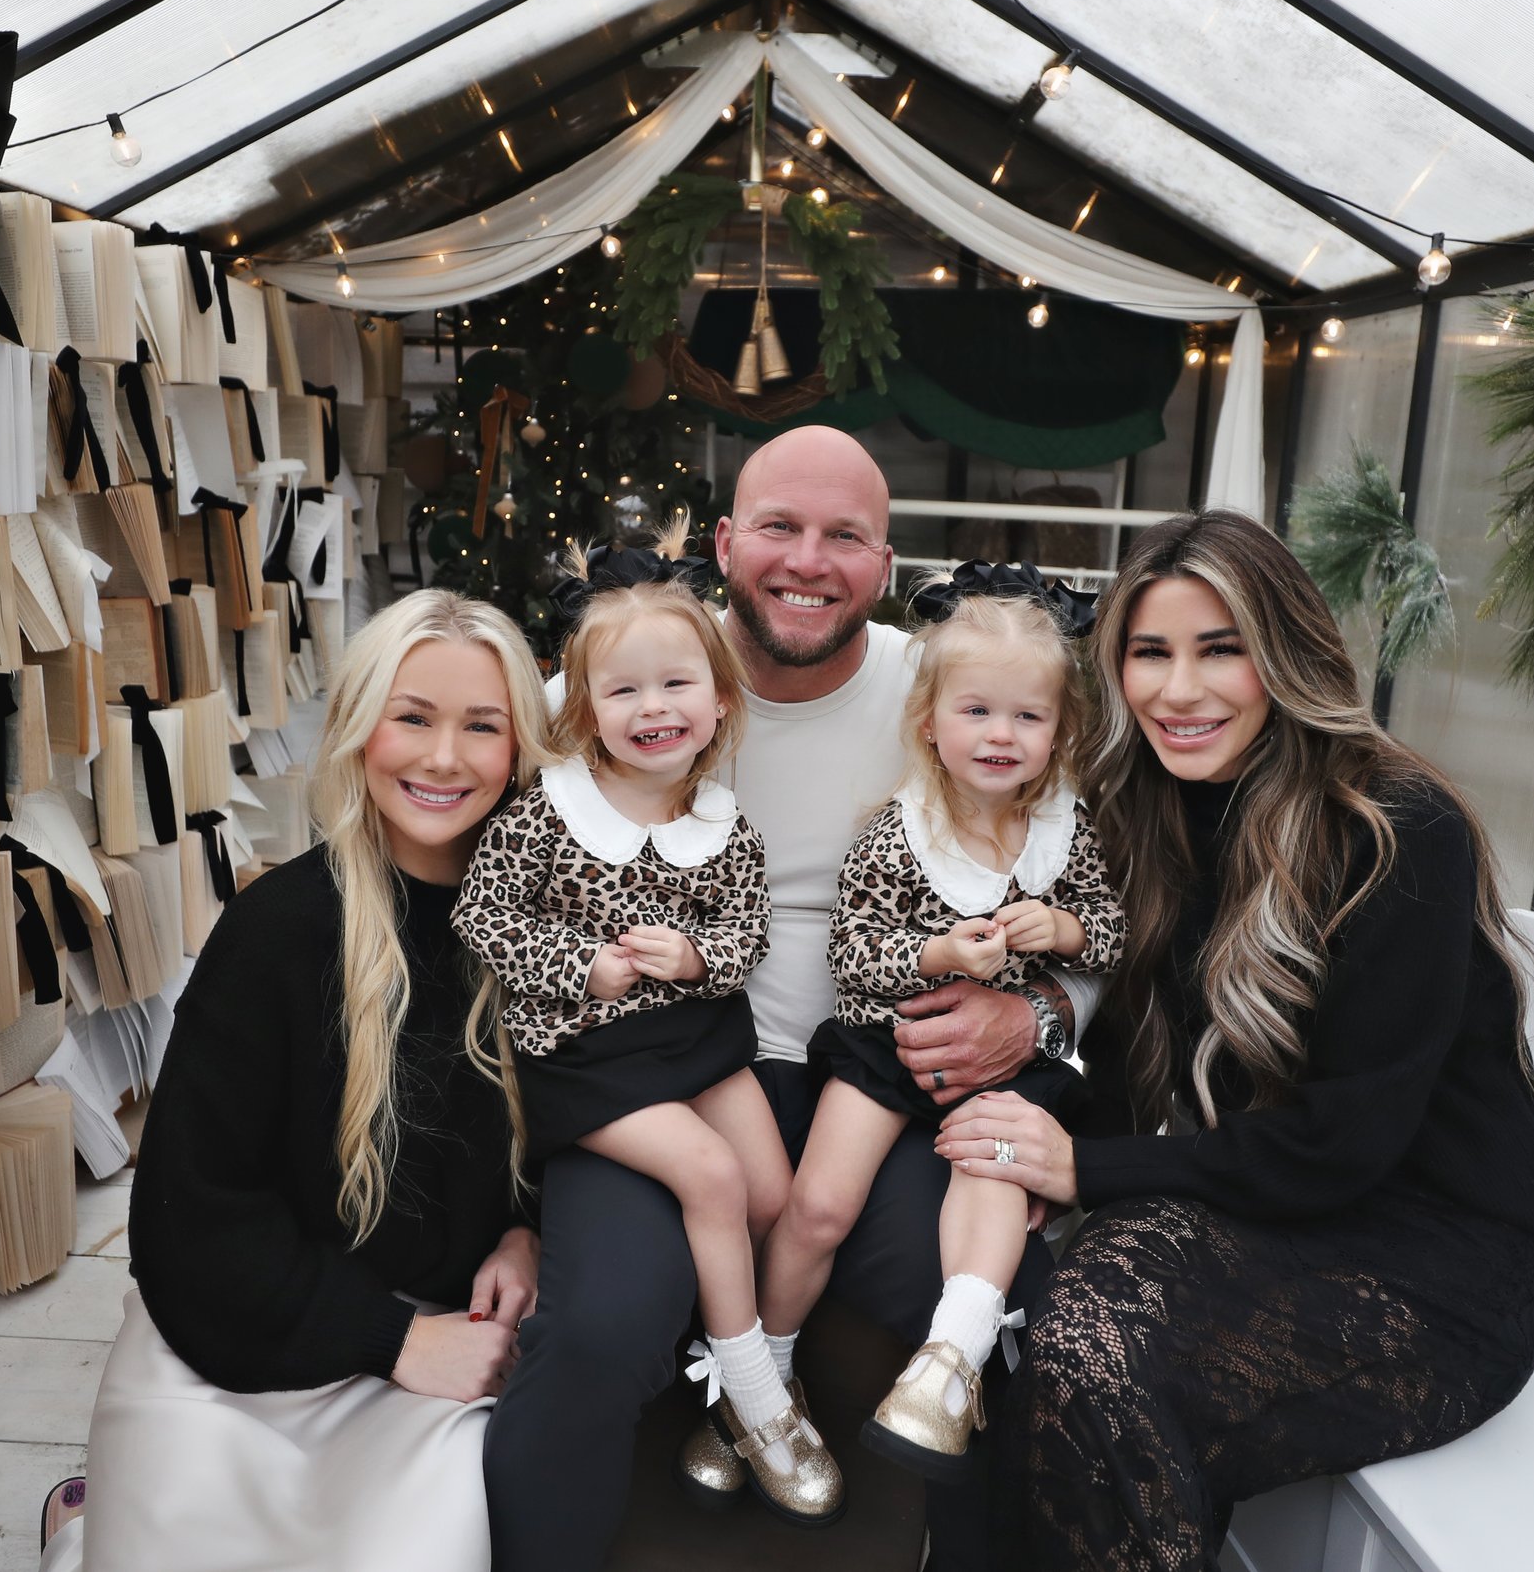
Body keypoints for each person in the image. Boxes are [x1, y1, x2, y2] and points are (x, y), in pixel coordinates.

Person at [484, 427, 1101, 1570]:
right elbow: (487, 885)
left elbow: (1085, 888)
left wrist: (1043, 1007)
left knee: (982, 1292)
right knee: (609, 1314)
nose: (807, 561)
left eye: (844, 536)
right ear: (724, 540)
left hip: (879, 1067)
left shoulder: (962, 689)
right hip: (655, 1066)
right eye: (778, 526)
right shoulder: (617, 680)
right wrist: (498, 1197)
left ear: (884, 560)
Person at [933, 510, 1534, 1570]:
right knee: (1055, 1319)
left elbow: (1342, 1141)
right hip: (1269, 1210)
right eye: (1149, 652)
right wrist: (1029, 1125)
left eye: (1220, 648)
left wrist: (1088, 1165)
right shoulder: (1144, 807)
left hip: (1439, 1255)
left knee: (1093, 1352)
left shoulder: (1393, 829)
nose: (1177, 690)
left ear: (1285, 652)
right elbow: (1122, 1049)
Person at [41, 589, 550, 1572]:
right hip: (247, 1342)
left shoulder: (546, 937)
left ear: (518, 748)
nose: (444, 757)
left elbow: (585, 1127)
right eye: (412, 716)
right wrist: (390, 1335)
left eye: (481, 725)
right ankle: (83, 1529)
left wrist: (529, 1229)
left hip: (444, 1361)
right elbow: (190, 1214)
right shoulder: (277, 928)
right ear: (360, 730)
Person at [452, 524, 836, 1523]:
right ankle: (761, 1406)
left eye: (674, 686)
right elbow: (482, 914)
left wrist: (700, 954)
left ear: (716, 700)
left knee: (771, 1192)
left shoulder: (723, 823)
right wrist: (579, 962)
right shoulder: (550, 810)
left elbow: (746, 931)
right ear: (584, 706)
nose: (651, 709)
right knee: (709, 1177)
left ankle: (723, 1359)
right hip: (584, 1049)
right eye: (622, 691)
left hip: (697, 1037)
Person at [761, 587, 1123, 1480]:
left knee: (991, 1168)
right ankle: (760, 1379)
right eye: (977, 710)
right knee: (819, 1206)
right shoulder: (900, 833)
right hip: (887, 1048)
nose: (1001, 734)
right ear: (929, 724)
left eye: (1027, 715)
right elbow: (852, 954)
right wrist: (934, 952)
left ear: (1058, 730)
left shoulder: (1064, 833)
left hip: (1003, 1064)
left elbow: (1115, 932)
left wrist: (1063, 932)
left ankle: (949, 1363)